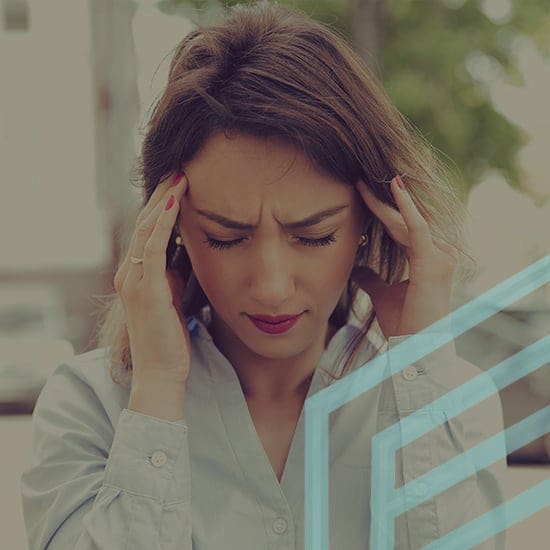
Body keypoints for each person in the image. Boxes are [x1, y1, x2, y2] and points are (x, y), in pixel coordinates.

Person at [20, 1, 507, 548]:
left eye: (313, 235)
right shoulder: (90, 408)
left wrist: (421, 363)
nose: (272, 287)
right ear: (170, 227)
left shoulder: (450, 405)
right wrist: (156, 388)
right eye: (227, 237)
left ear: (374, 223)